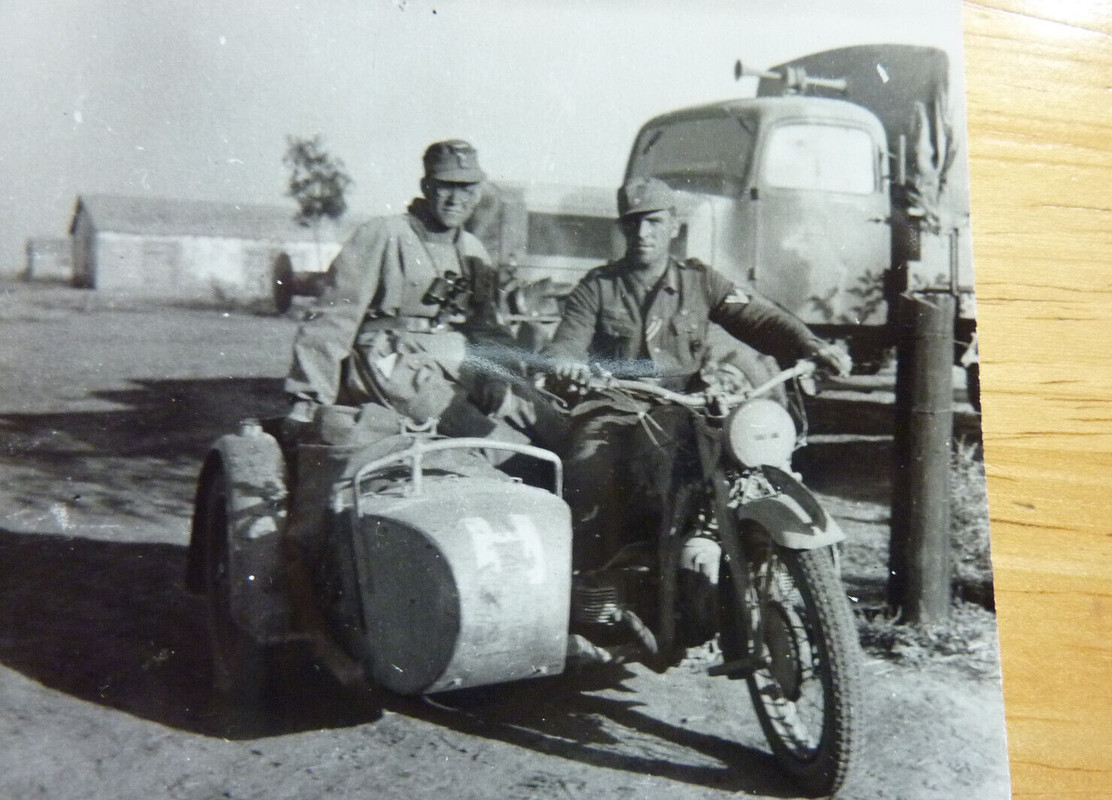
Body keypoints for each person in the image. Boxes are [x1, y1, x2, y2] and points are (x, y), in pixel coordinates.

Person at [544, 176, 851, 572]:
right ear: (622, 228)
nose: (643, 233)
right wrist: (566, 364)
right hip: (616, 406)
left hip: (689, 405)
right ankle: (588, 579)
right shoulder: (598, 287)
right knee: (589, 470)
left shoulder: (700, 281)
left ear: (674, 226)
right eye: (633, 223)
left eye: (654, 222)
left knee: (748, 466)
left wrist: (811, 345)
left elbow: (758, 318)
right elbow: (566, 343)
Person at [282, 139, 536, 446]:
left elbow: (488, 326)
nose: (456, 199)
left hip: (456, 355)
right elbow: (335, 317)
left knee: (540, 417)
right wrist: (307, 398)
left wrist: (499, 376)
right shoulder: (384, 234)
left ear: (479, 191)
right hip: (392, 360)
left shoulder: (472, 249)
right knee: (483, 434)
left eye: (467, 188)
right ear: (426, 186)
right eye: (446, 186)